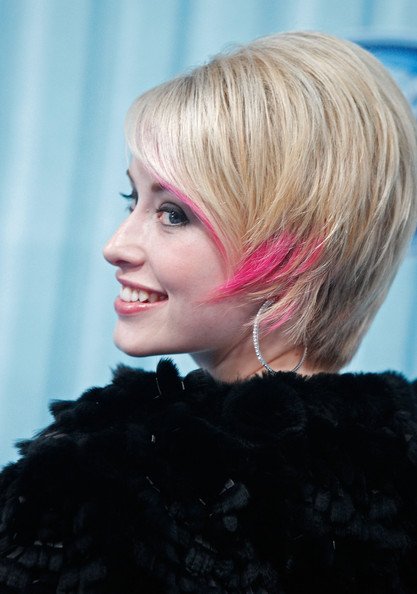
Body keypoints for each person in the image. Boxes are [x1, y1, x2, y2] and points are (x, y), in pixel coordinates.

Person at [0, 30, 416, 594]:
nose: (116, 245)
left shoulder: (109, 491)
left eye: (174, 214)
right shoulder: (393, 470)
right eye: (132, 200)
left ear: (294, 254)